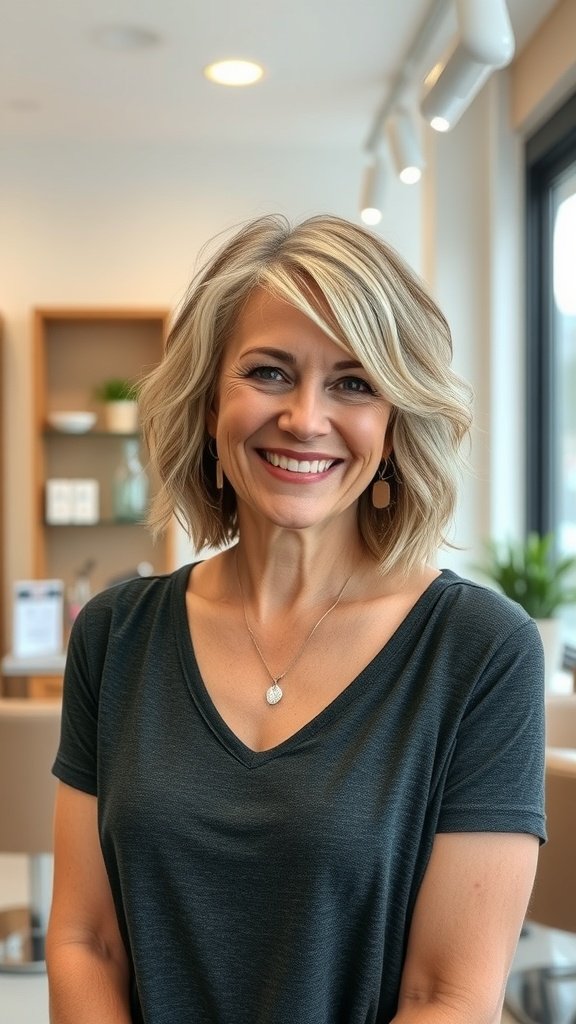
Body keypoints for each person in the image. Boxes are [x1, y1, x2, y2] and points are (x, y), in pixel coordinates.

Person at [46, 214, 546, 1024]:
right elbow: (84, 941)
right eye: (270, 373)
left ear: (392, 427)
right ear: (211, 402)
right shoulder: (116, 635)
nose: (306, 419)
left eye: (353, 383)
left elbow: (446, 995)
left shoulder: (480, 651)